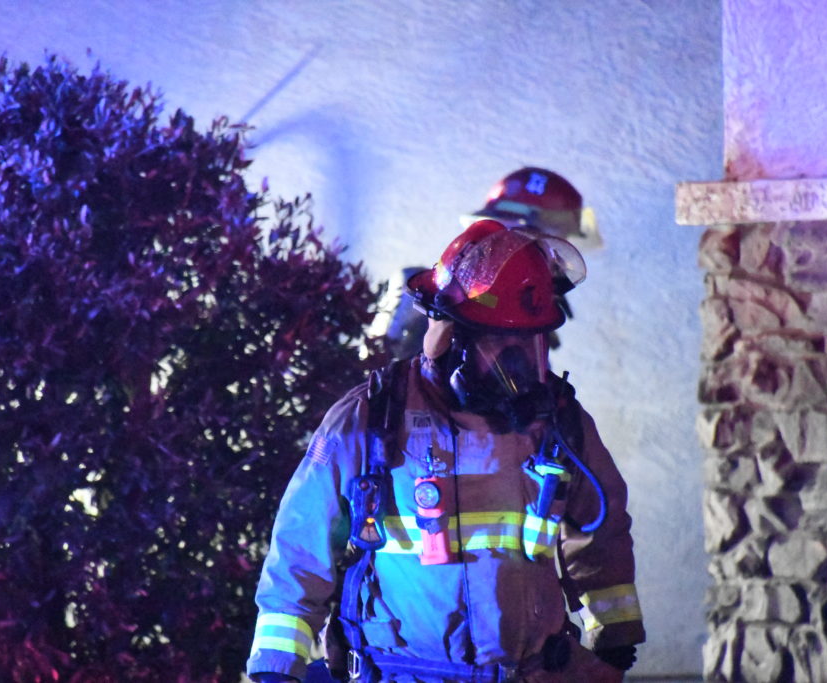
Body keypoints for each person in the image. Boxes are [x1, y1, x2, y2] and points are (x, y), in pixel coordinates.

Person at [246, 218, 644, 682]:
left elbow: (601, 534)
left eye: (528, 342)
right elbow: (300, 549)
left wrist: (615, 639)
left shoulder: (557, 420)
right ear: (452, 338)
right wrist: (277, 668)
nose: (519, 361)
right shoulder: (371, 417)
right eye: (500, 341)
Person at [385, 167, 599, 360]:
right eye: (550, 248)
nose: (556, 262)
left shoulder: (524, 318)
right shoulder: (429, 298)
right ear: (516, 238)